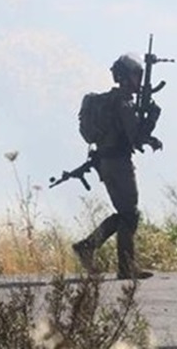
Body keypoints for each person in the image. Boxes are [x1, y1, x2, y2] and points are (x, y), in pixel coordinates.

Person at [72, 53, 162, 280]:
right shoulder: (123, 103)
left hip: (106, 162)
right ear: (127, 77)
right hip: (119, 163)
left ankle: (89, 246)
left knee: (125, 213)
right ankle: (124, 266)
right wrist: (152, 117)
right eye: (137, 75)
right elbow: (135, 136)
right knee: (130, 214)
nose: (139, 80)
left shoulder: (111, 100)